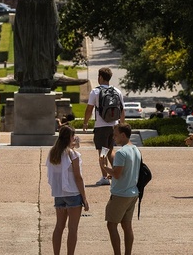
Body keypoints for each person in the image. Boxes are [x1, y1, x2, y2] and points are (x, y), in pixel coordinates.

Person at [46, 125, 88, 255]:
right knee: (72, 229)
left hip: (59, 193)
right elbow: (78, 177)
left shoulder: (54, 153)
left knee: (59, 227)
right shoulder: (73, 154)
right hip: (73, 193)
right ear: (70, 137)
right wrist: (85, 199)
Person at [100, 123, 140, 255]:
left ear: (123, 135)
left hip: (120, 194)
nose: (114, 138)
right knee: (127, 226)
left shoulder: (121, 153)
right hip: (132, 192)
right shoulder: (135, 149)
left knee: (111, 225)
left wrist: (104, 167)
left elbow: (117, 174)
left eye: (116, 135)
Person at [81, 67, 125, 186]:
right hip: (114, 126)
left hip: (101, 127)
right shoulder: (117, 91)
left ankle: (105, 177)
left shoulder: (95, 92)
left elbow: (89, 109)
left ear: (100, 77)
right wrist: (121, 126)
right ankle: (120, 174)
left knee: (102, 152)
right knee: (110, 150)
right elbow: (122, 110)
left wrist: (85, 123)